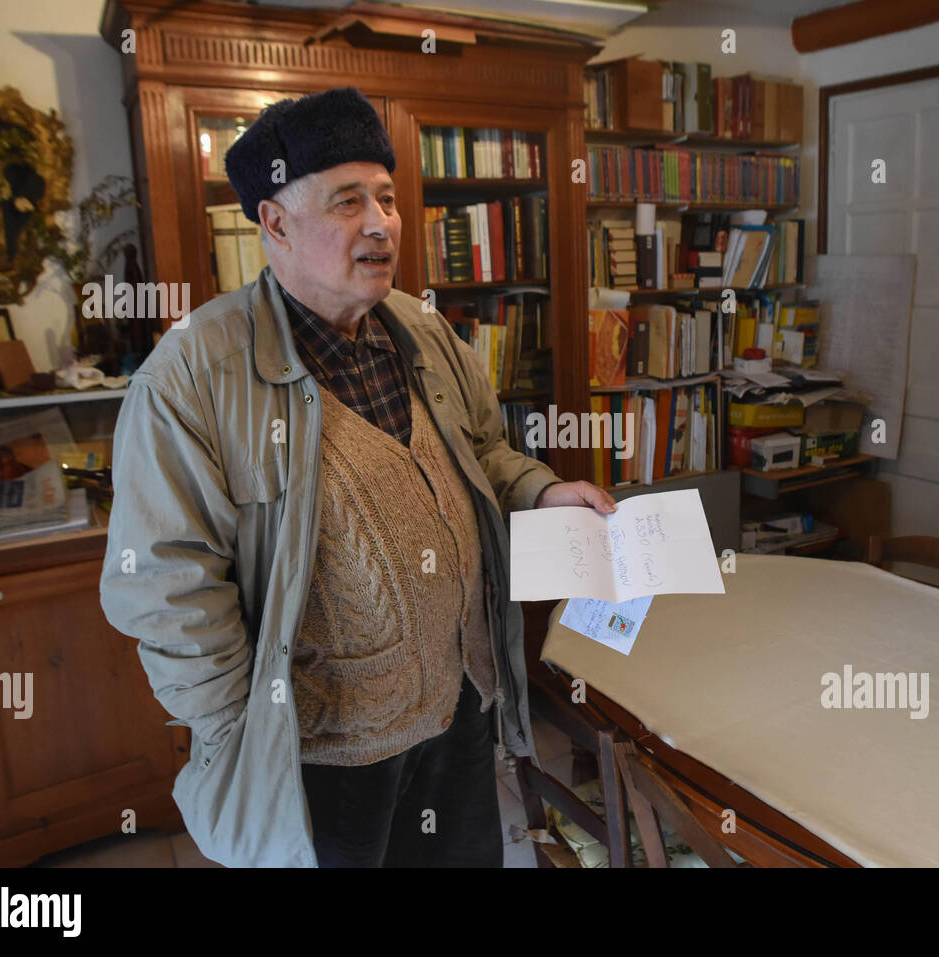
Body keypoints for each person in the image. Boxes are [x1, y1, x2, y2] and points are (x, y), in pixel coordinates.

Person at [99, 87, 615, 868]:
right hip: (322, 756)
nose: (381, 223)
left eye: (386, 197)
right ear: (274, 223)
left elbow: (486, 454)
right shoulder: (192, 375)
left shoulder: (427, 332)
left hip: (461, 711)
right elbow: (165, 590)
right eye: (348, 201)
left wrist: (543, 490)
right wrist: (245, 735)